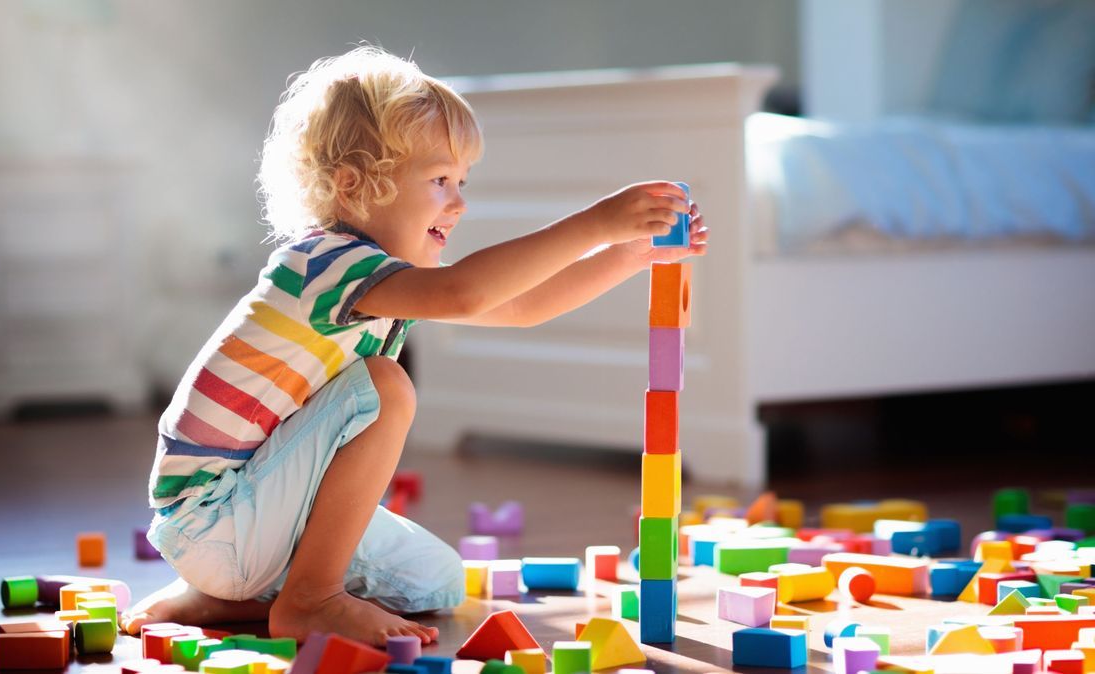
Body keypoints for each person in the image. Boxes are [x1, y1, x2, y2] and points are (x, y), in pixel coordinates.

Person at [121, 45, 707, 647]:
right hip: (214, 514)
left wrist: (631, 254)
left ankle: (222, 601)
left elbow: (526, 305)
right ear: (354, 185)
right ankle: (310, 599)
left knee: (438, 583)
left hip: (258, 523)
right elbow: (463, 293)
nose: (459, 202)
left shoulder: (383, 280)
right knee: (385, 384)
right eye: (438, 181)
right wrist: (596, 223)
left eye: (461, 182)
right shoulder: (323, 263)